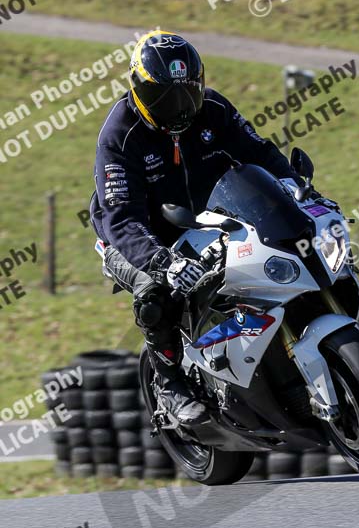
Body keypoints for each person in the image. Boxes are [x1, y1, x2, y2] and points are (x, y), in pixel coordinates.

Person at [90, 29, 303, 427]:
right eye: (165, 98)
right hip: (134, 236)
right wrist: (159, 261)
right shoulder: (120, 137)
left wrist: (291, 184)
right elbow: (120, 217)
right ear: (139, 90)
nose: (180, 107)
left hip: (207, 221)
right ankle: (170, 384)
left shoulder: (215, 110)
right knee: (155, 293)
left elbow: (258, 151)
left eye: (188, 93)